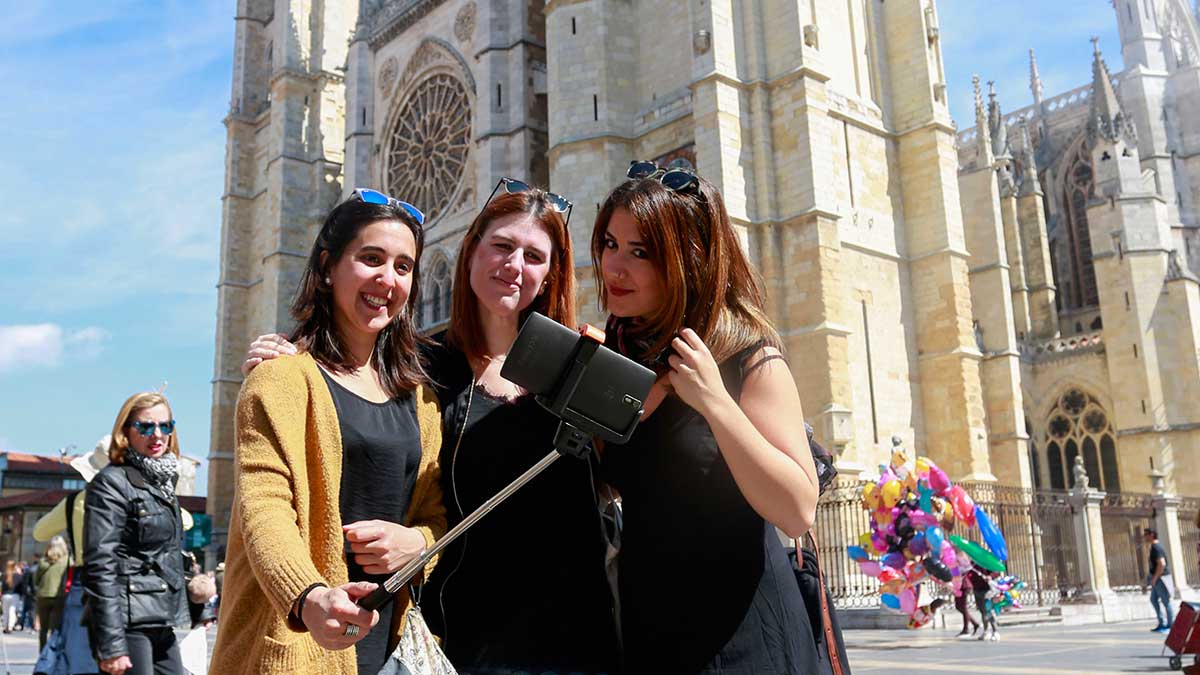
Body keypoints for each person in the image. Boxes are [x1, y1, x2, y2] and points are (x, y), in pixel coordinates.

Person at [242, 179, 620, 674]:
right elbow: (348, 395)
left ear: (551, 274)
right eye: (502, 247)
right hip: (460, 638)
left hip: (572, 638)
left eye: (534, 256)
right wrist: (290, 359)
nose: (514, 266)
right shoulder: (420, 372)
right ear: (470, 254)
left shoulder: (582, 365)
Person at [594, 162, 822, 672]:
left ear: (687, 262)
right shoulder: (620, 354)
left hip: (744, 635)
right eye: (610, 244)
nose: (614, 267)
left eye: (640, 253)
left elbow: (796, 509)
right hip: (652, 631)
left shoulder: (748, 355)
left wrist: (715, 401)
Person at [210, 189, 447, 675]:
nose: (388, 279)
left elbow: (435, 515)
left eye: (404, 267)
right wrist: (308, 596)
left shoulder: (421, 401)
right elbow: (264, 504)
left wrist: (419, 546)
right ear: (326, 266)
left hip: (391, 652)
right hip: (296, 641)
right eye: (371, 258)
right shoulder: (281, 377)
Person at [84, 392, 190, 675]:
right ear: (125, 432)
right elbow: (99, 565)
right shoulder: (112, 483)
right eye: (145, 426)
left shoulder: (161, 483)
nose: (157, 435)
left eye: (165, 426)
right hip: (127, 619)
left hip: (159, 616)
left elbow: (164, 555)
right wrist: (111, 645)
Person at [34, 537, 69, 649]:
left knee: (43, 629)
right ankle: (53, 653)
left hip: (43, 595)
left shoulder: (43, 561)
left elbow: (36, 580)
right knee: (56, 627)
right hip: (59, 596)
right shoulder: (66, 561)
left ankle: (42, 652)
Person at [1144, 527, 1174, 633]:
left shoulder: (1156, 547)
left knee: (1166, 601)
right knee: (1153, 599)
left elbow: (1162, 563)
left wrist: (1155, 578)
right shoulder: (1154, 547)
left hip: (1160, 578)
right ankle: (1162, 623)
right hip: (1157, 578)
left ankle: (1171, 625)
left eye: (1146, 534)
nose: (1145, 536)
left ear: (1152, 535)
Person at [1, 560, 21, 632]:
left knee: (5, 612)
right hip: (15, 595)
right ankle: (10, 627)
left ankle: (5, 626)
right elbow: (20, 586)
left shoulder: (4, 575)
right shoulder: (18, 576)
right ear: (15, 566)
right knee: (12, 611)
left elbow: (2, 586)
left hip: (5, 595)